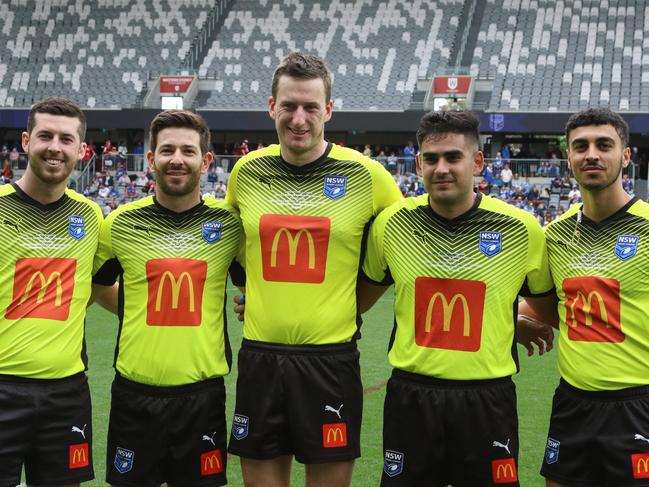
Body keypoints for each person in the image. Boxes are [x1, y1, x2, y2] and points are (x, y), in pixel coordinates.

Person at [225, 52, 402, 487]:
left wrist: (352, 304)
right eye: (288, 106)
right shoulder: (246, 172)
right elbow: (236, 252)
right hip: (260, 359)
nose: (298, 118)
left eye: (310, 107)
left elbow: (409, 251)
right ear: (272, 108)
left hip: (330, 361)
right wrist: (256, 294)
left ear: (328, 109)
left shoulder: (368, 176)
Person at [359, 111, 556, 486]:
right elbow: (356, 301)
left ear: (478, 162)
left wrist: (504, 321)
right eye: (431, 159)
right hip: (411, 399)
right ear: (418, 164)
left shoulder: (520, 229)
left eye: (453, 157)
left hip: (487, 402)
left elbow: (554, 310)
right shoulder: (391, 224)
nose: (441, 168)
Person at [92, 110, 244, 486]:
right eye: (167, 150)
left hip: (202, 397)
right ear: (151, 159)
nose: (177, 158)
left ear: (206, 160)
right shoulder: (120, 224)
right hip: (134, 394)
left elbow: (258, 283)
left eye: (188, 151)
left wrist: (253, 302)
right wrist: (133, 311)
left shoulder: (228, 225)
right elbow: (95, 286)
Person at [519, 108, 649, 487]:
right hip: (572, 403)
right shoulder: (554, 236)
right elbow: (552, 306)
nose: (591, 154)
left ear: (626, 156)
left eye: (604, 145)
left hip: (637, 406)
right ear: (569, 157)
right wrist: (513, 320)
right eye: (581, 146)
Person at [0, 97, 112, 486]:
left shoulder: (90, 215)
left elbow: (100, 287)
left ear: (81, 150)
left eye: (66, 139)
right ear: (26, 141)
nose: (54, 147)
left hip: (65, 394)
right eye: (45, 136)